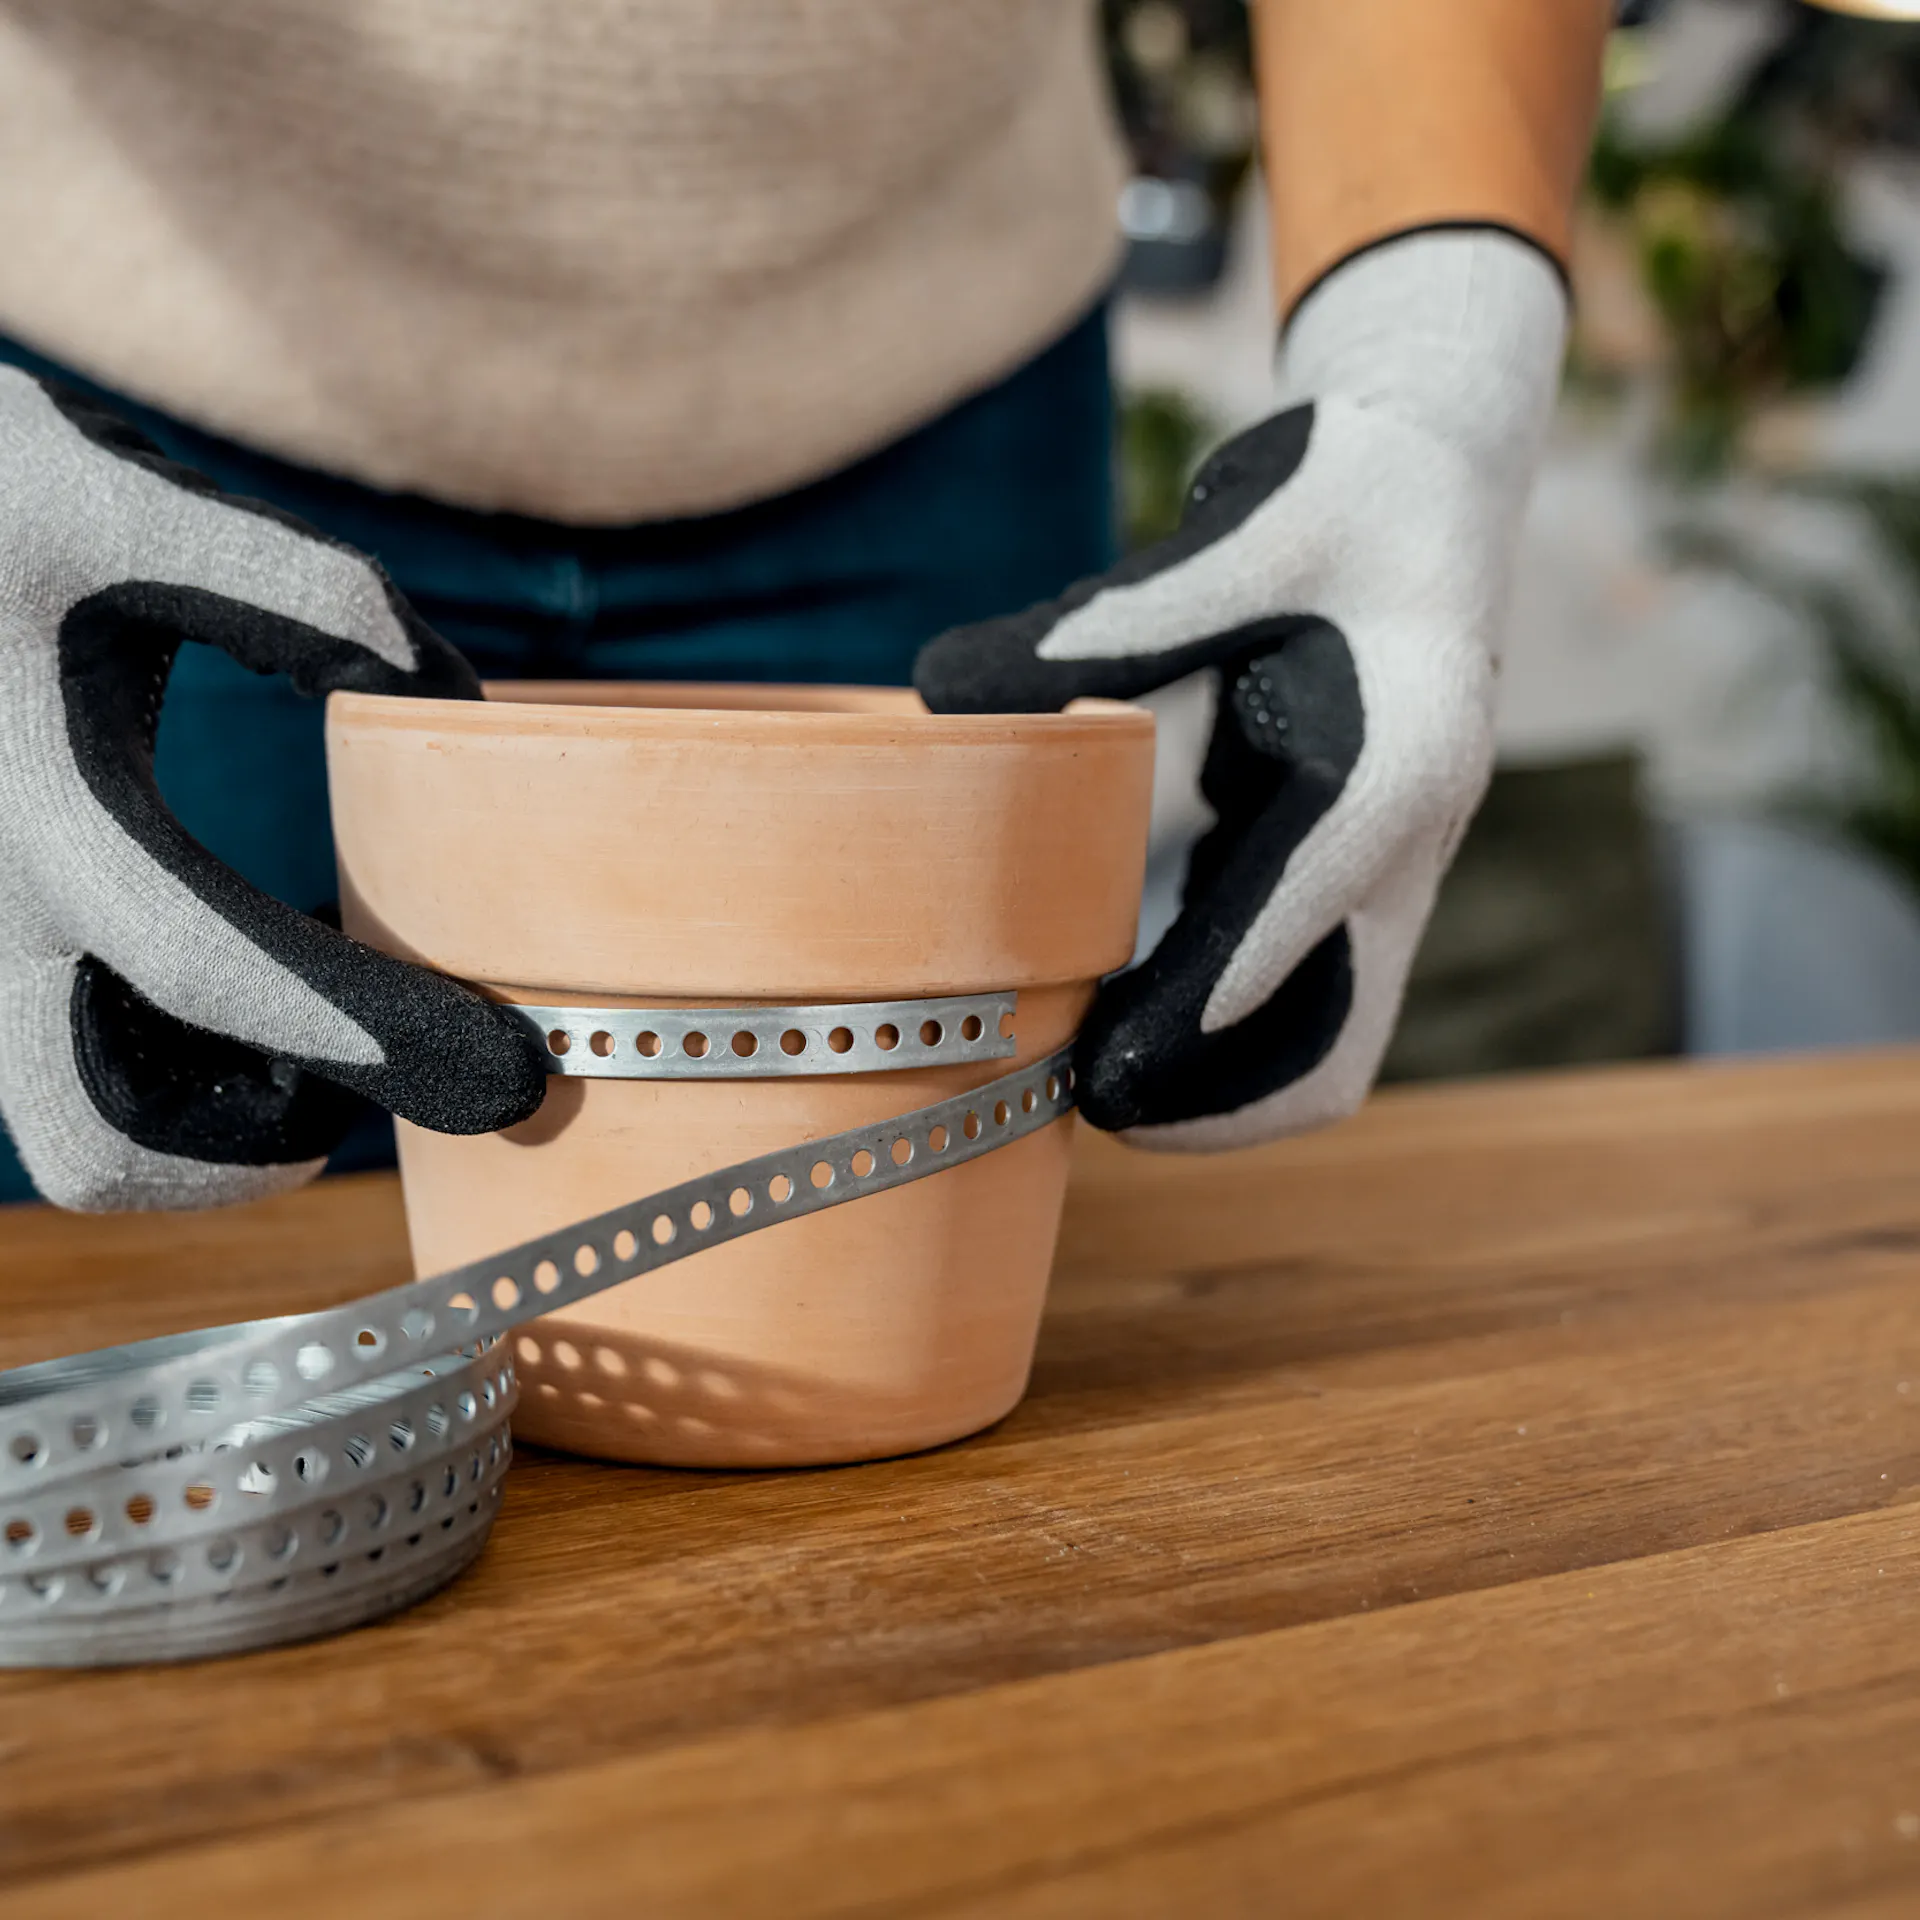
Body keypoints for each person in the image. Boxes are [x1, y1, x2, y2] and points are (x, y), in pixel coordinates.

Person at [0, 1, 1610, 1211]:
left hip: (937, 387)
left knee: (918, 1391)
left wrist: (1434, 374)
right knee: (151, 1283)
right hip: (132, 441)